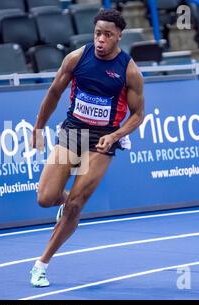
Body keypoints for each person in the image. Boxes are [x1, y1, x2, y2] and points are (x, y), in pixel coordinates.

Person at [30, 8, 145, 287]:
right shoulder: (77, 58)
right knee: (46, 198)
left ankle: (41, 263)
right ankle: (65, 199)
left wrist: (117, 135)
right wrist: (38, 127)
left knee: (76, 206)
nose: (101, 40)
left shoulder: (129, 70)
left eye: (107, 34)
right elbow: (54, 92)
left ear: (119, 36)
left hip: (103, 139)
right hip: (74, 132)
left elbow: (138, 114)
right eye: (97, 33)